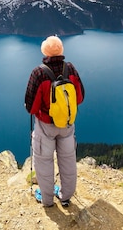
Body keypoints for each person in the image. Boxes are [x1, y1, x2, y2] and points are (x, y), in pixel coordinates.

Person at [25, 35, 85, 207]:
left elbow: (31, 107)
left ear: (44, 51)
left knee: (44, 162)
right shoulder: (70, 69)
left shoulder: (38, 73)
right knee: (68, 160)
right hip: (67, 125)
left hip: (46, 127)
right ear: (61, 51)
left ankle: (47, 200)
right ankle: (66, 196)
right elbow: (79, 97)